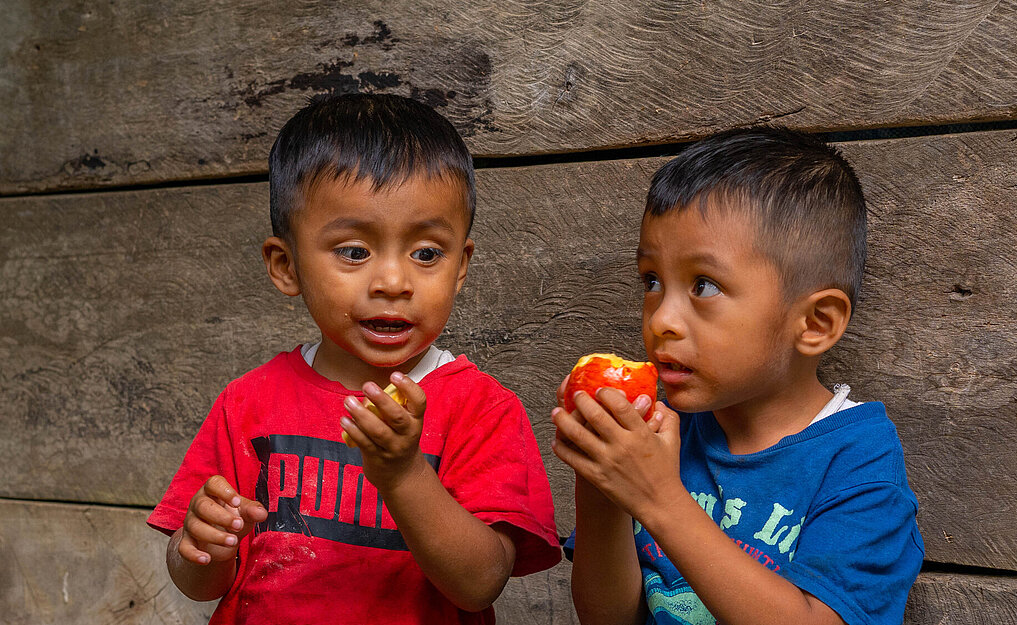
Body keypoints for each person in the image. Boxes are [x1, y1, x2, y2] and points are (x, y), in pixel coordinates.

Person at [148, 93, 561, 624]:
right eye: (354, 251)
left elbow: (480, 585)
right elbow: (201, 584)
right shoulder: (248, 402)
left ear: (461, 265)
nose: (393, 282)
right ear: (286, 265)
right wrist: (201, 542)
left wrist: (403, 474)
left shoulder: (481, 409)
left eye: (427, 254)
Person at [552, 127, 924, 625]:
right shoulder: (664, 436)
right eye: (652, 281)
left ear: (815, 324)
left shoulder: (858, 460)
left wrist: (658, 499)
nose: (661, 318)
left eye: (703, 285)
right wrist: (601, 492)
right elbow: (609, 618)